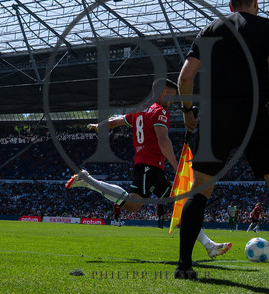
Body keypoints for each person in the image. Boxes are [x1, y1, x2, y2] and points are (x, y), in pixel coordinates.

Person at [175, 0, 269, 289]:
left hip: (216, 115)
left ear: (229, 5)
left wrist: (188, 113)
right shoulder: (265, 26)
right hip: (257, 112)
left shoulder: (209, 30)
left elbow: (185, 77)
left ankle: (184, 264)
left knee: (199, 191)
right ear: (255, 3)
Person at [66, 79, 232, 259]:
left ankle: (209, 246)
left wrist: (99, 126)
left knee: (181, 205)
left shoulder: (140, 111)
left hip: (149, 166)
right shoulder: (160, 112)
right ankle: (88, 181)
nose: (173, 101)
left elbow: (115, 121)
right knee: (133, 205)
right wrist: (177, 166)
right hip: (149, 166)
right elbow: (163, 140)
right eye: (171, 96)